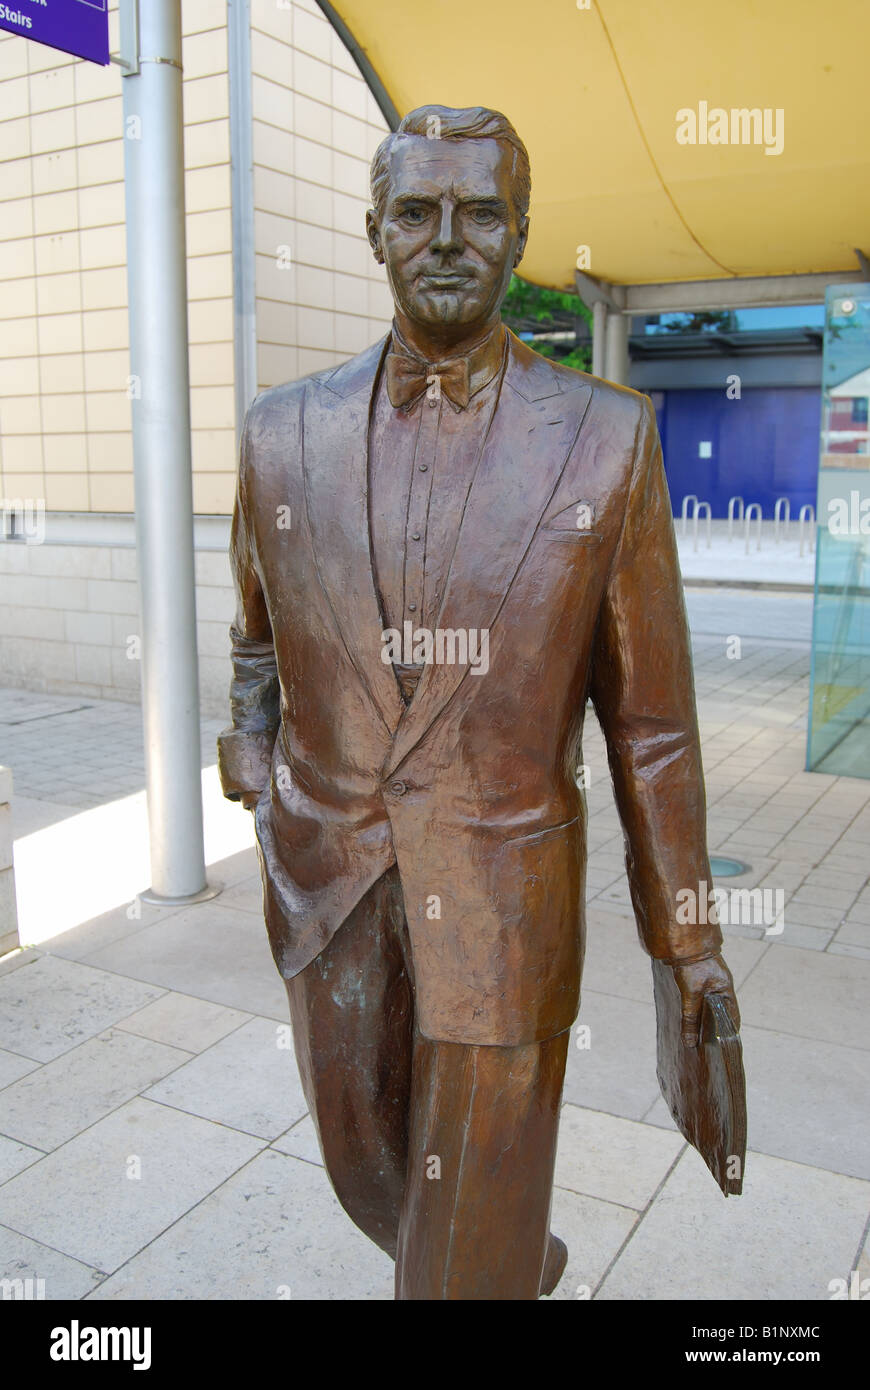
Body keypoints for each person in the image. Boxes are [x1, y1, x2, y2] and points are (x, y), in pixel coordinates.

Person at [218, 105, 739, 1300]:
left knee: (459, 1255)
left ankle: (488, 1267)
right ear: (373, 231)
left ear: (519, 237)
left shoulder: (609, 442)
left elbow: (653, 727)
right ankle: (502, 1257)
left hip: (506, 898)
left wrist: (690, 941)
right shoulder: (279, 436)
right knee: (367, 1167)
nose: (446, 239)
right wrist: (252, 761)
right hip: (329, 885)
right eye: (416, 211)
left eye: (480, 214)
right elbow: (255, 637)